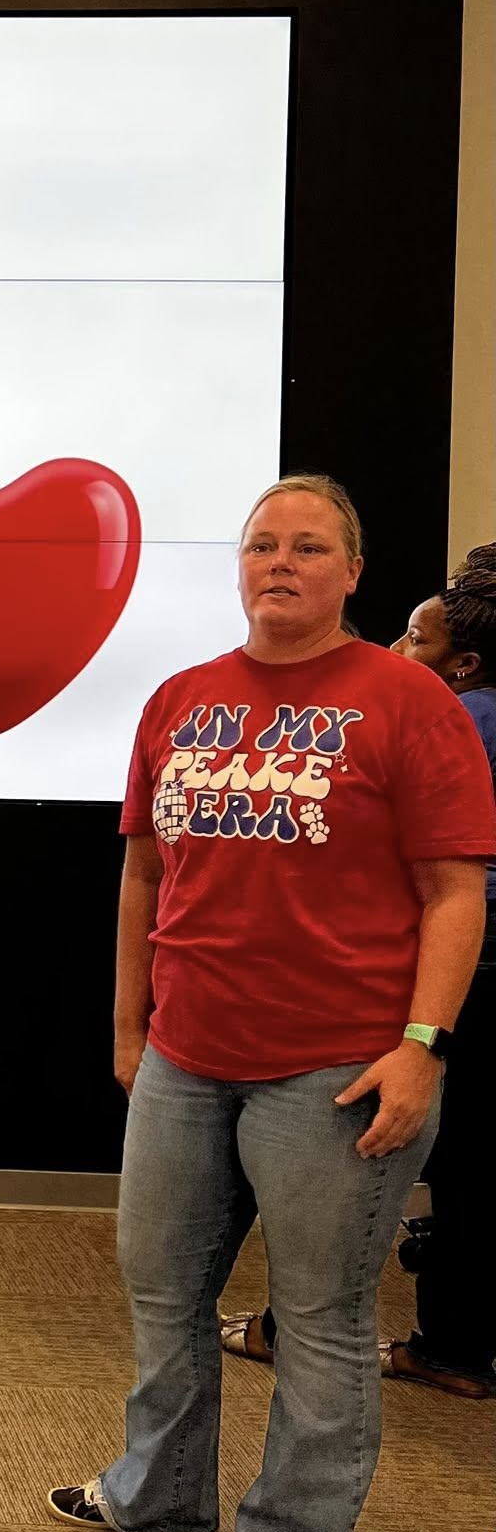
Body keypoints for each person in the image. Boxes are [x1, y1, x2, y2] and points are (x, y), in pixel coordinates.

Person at [48, 475, 496, 1532]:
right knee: (161, 1288)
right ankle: (157, 1496)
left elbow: (455, 892)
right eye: (259, 544)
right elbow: (145, 872)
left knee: (321, 1315)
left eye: (307, 545)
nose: (278, 562)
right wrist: (127, 1024)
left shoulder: (408, 702)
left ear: (352, 572)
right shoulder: (180, 698)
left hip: (339, 1067)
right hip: (187, 1057)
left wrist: (421, 1049)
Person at [221, 549, 496, 1398]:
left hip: (448, 976)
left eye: (414, 638)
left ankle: (295, 1329)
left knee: (331, 1164)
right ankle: (453, 1346)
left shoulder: (452, 719)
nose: (394, 647)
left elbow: (446, 876)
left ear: (465, 660)